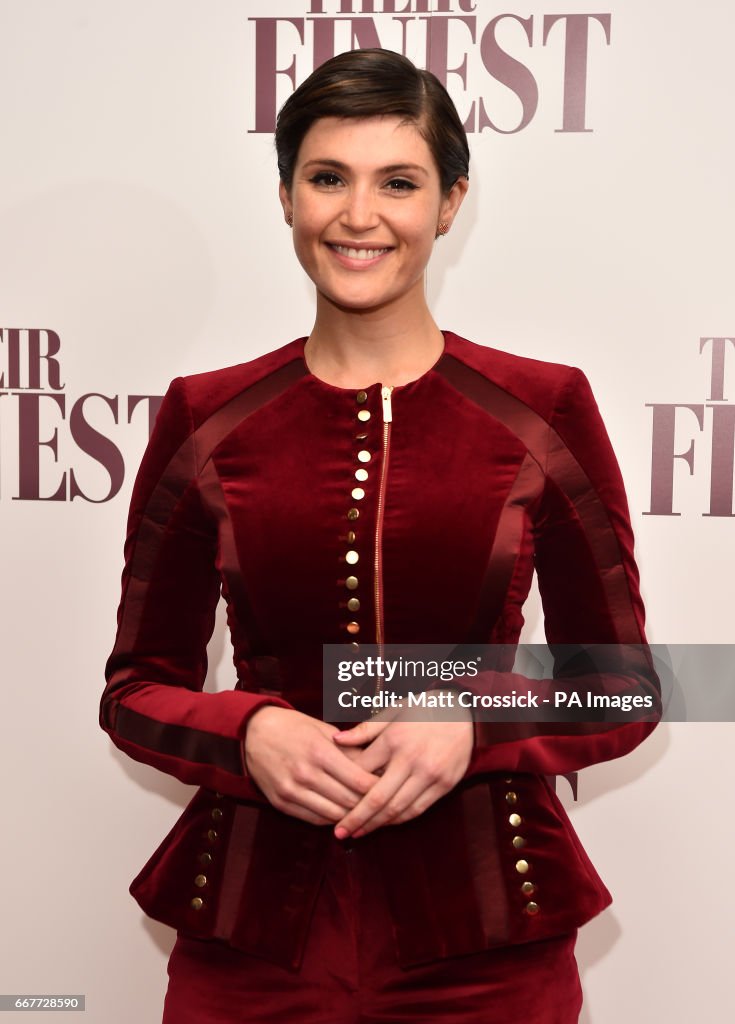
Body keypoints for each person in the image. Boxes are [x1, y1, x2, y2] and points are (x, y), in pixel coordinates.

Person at [100, 48, 659, 1024]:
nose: (360, 216)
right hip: (250, 944)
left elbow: (629, 684)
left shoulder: (544, 408)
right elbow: (134, 689)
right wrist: (249, 728)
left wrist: (471, 715)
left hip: (490, 946)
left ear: (449, 203)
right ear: (286, 197)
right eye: (328, 178)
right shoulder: (205, 415)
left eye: (398, 182)